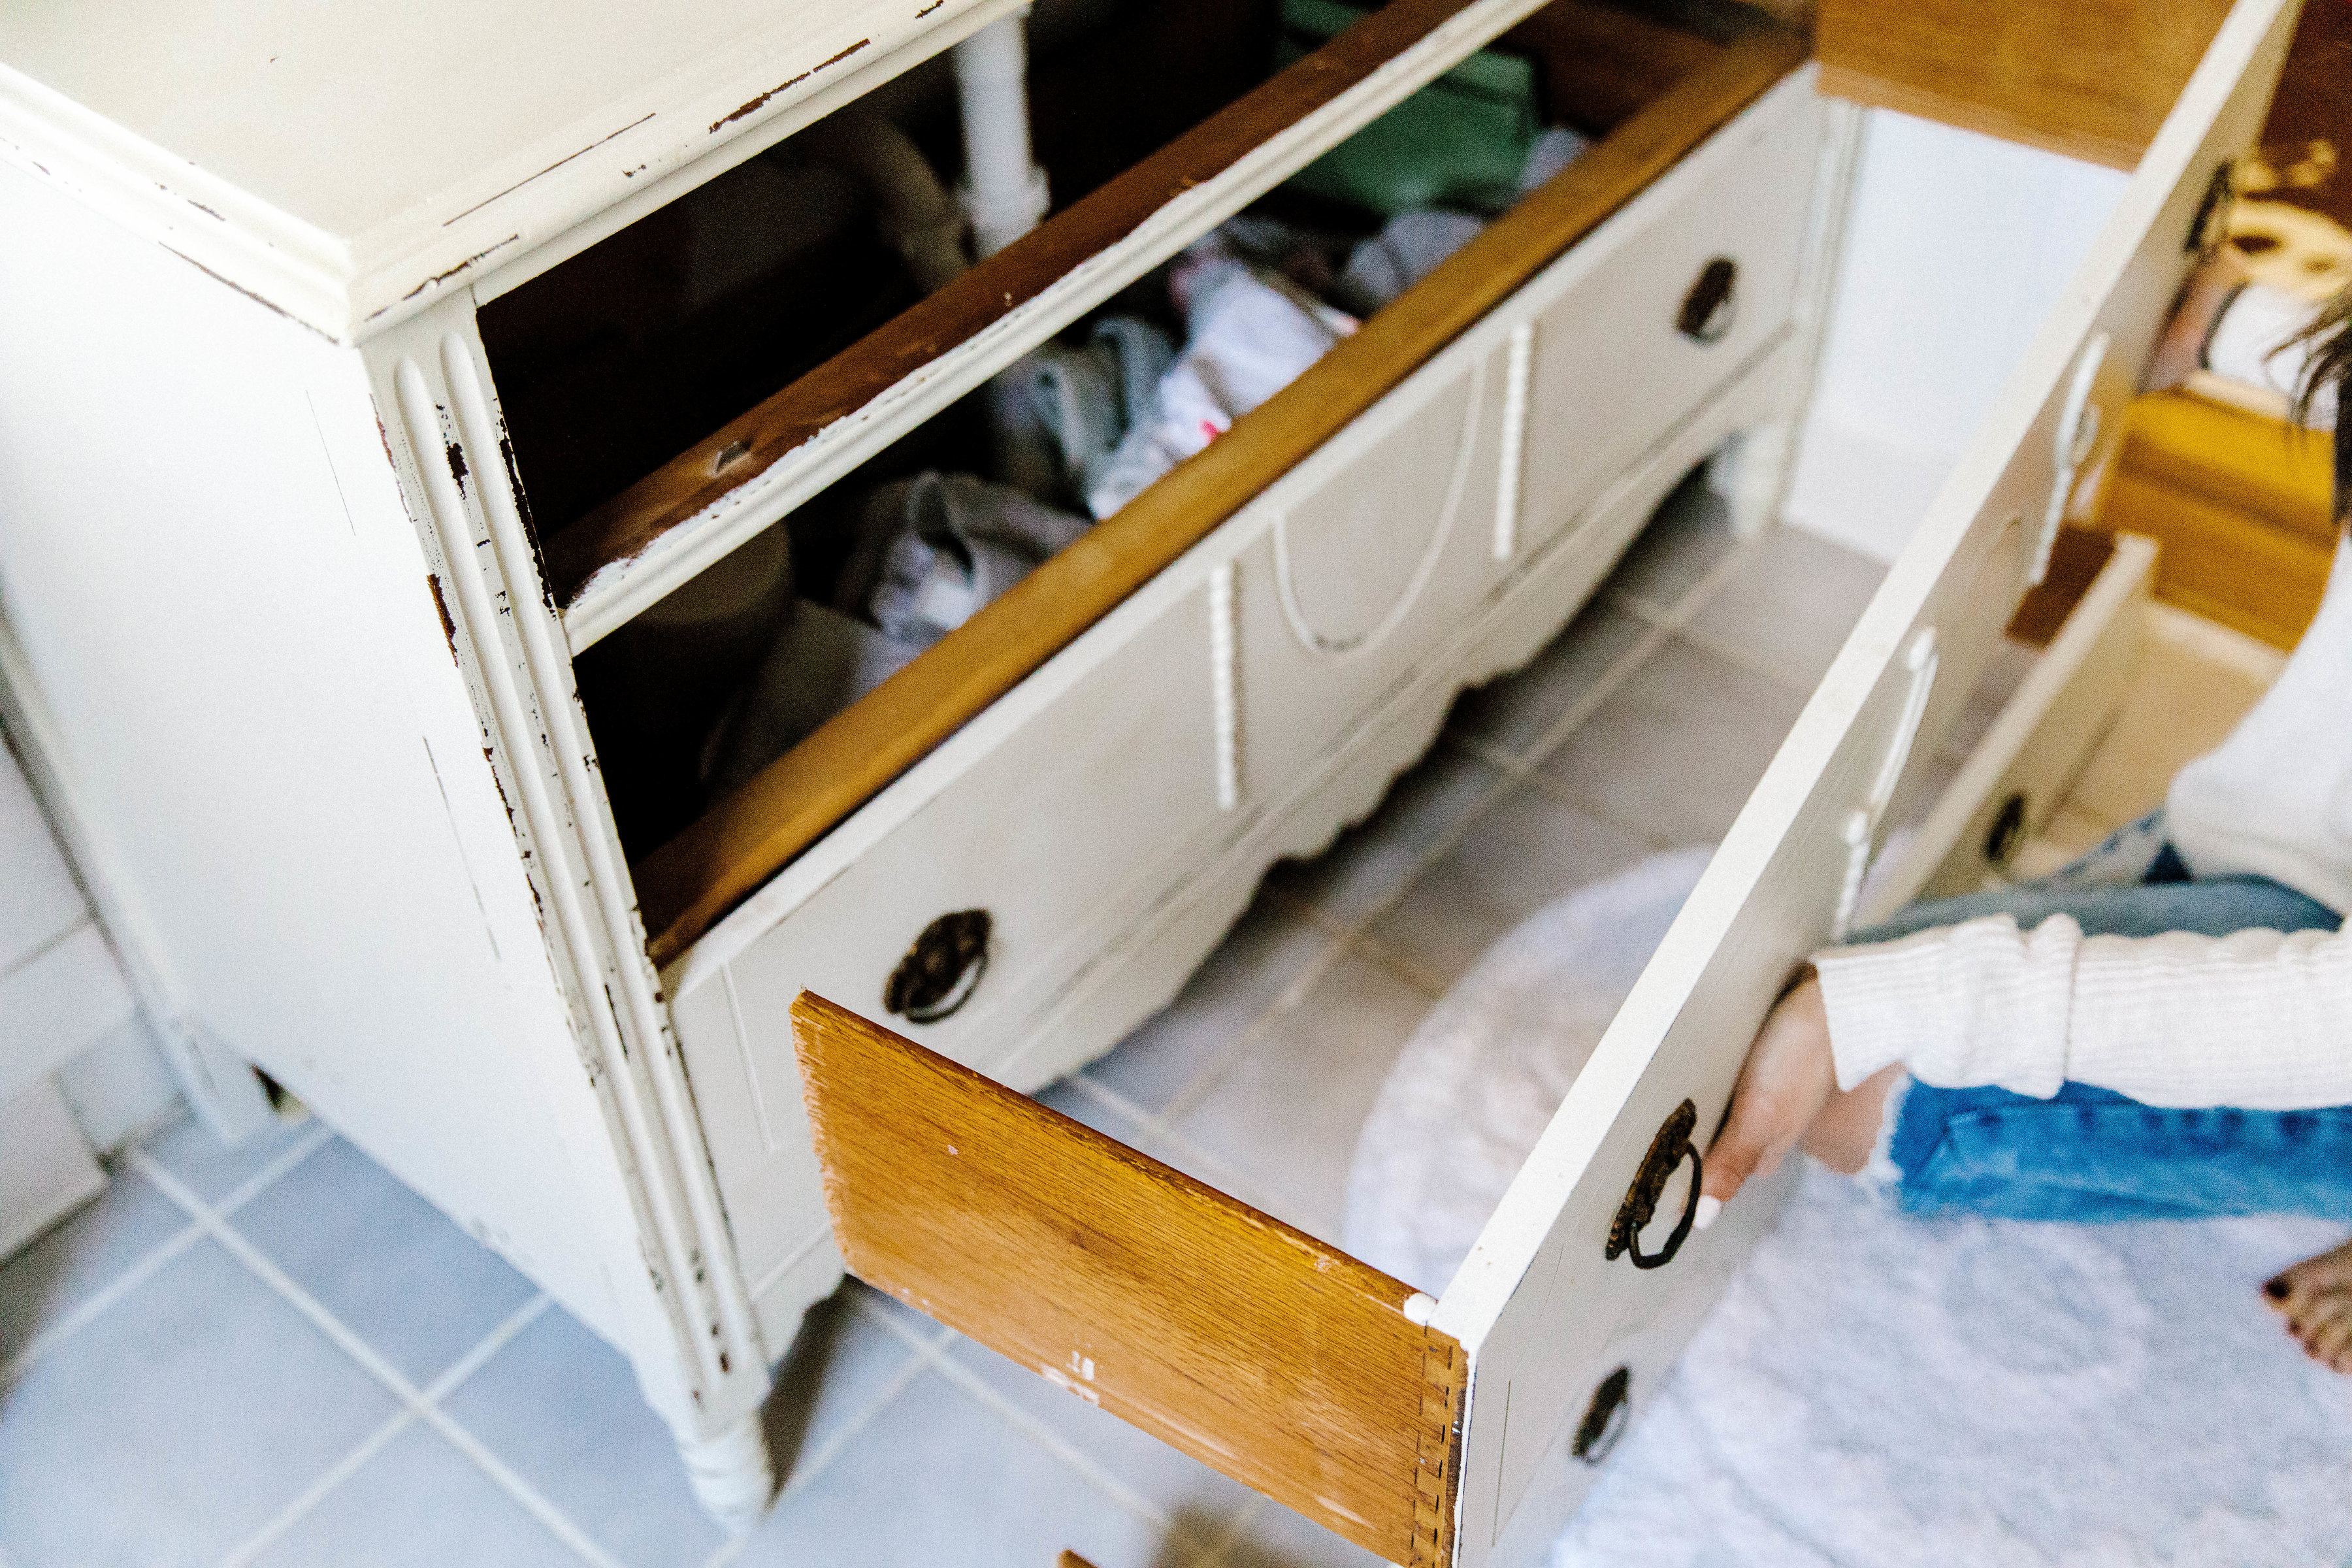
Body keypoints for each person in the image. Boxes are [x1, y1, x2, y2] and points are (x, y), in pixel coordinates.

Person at [1703, 274, 2352, 1373]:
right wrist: (2224, 321)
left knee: (1873, 1090)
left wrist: (1900, 997)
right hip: (2282, 854)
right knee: (1851, 1035)